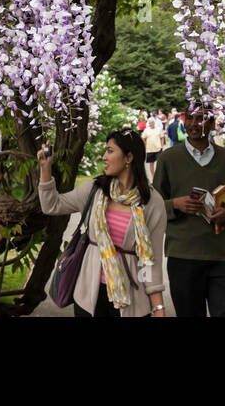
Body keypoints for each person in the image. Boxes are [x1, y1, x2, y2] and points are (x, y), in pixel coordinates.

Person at [38, 128, 167, 317]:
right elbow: (52, 205)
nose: (104, 157)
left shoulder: (152, 202)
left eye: (110, 151)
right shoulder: (95, 190)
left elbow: (151, 260)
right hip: (88, 295)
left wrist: (158, 308)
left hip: (131, 298)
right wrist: (45, 169)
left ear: (129, 157)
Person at [151, 105, 225, 316]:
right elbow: (153, 204)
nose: (193, 124)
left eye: (201, 119)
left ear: (213, 124)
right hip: (183, 254)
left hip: (222, 255)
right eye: (189, 118)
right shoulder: (168, 159)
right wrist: (175, 205)